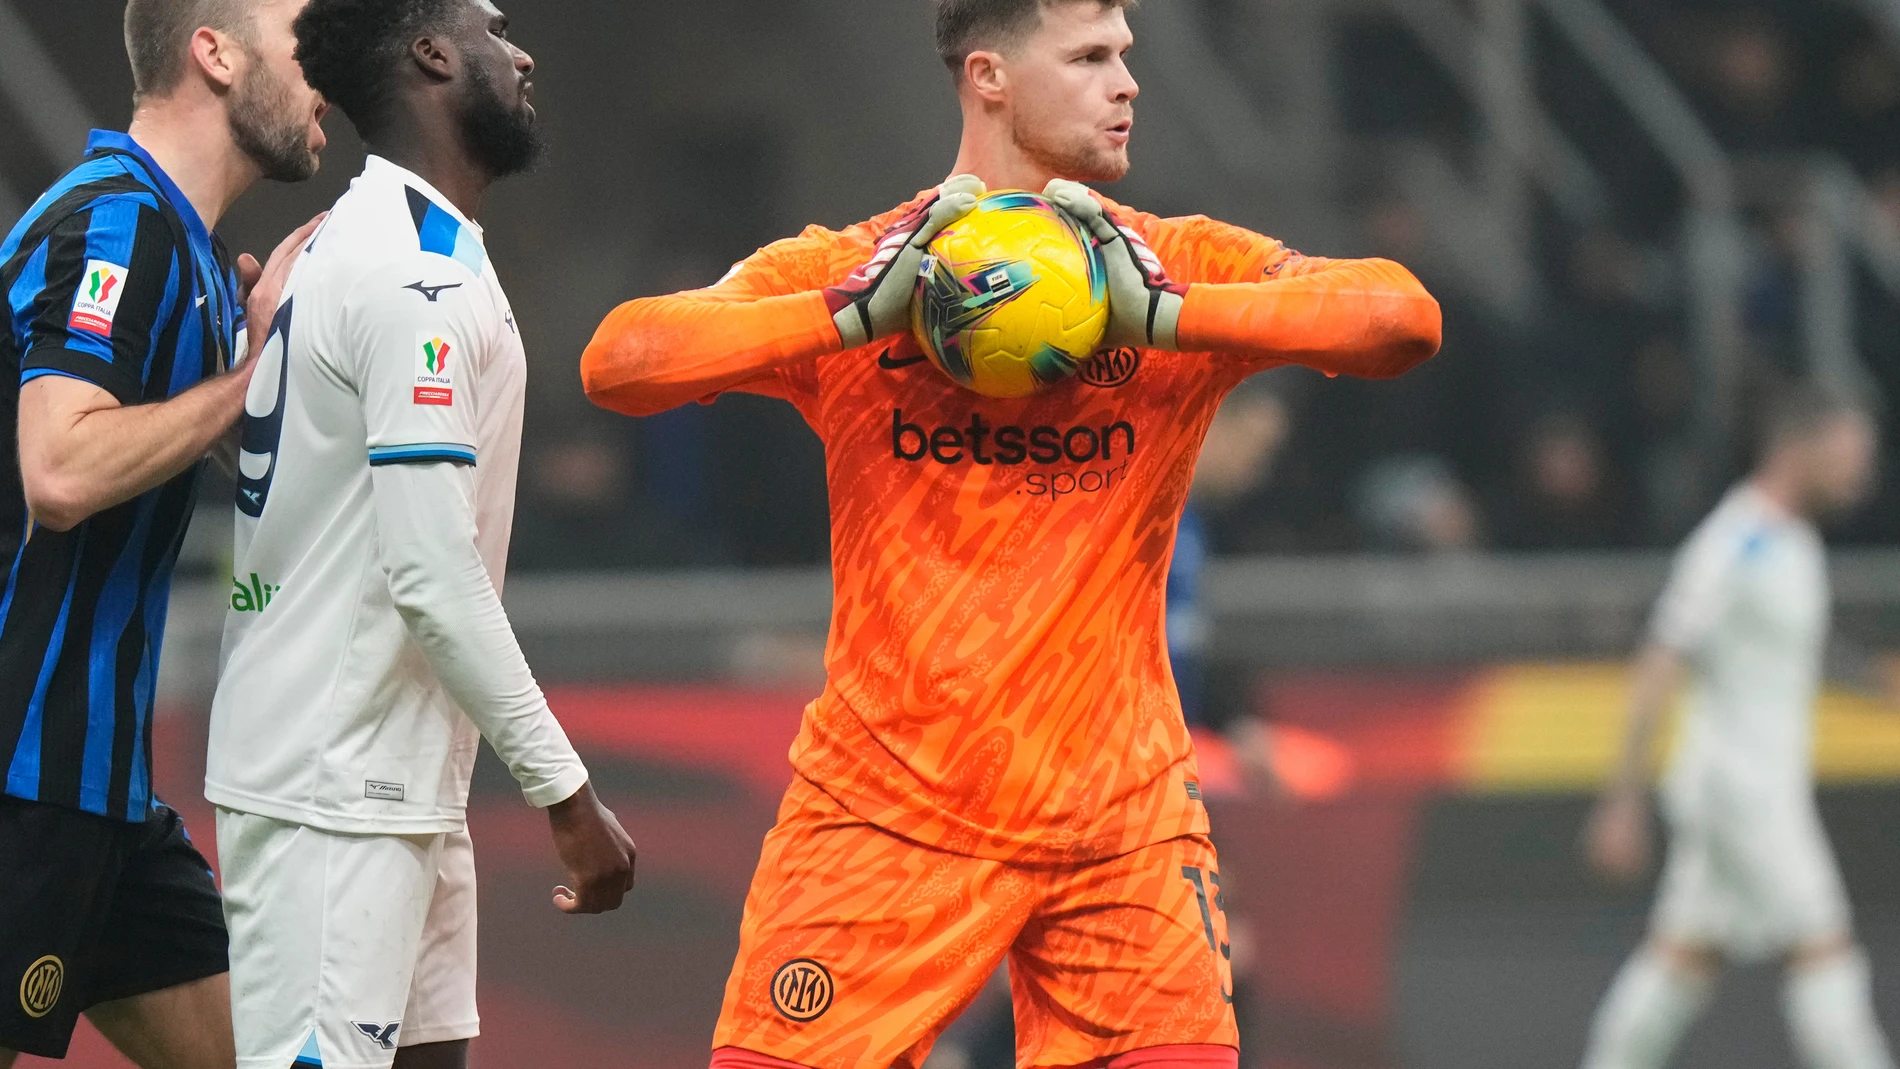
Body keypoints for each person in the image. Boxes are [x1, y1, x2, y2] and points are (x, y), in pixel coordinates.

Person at [581, 1, 1441, 1066]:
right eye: (1089, 57)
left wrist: (1168, 315)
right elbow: (620, 362)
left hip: (1120, 820)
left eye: (1125, 55)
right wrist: (851, 313)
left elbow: (1401, 317)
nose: (1127, 82)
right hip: (885, 809)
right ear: (987, 76)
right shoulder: (863, 266)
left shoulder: (1169, 261)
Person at [203, 2, 636, 1067]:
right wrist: (565, 790)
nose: (522, 53)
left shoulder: (383, 246)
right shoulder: (410, 271)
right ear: (433, 55)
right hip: (333, 784)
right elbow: (432, 573)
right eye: (494, 28)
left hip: (394, 771)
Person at [0, 0, 326, 1063]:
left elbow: (178, 443)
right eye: (302, 41)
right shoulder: (114, 221)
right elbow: (60, 469)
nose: (324, 74)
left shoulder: (196, 256)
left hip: (98, 789)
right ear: (215, 54)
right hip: (17, 771)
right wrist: (246, 381)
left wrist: (268, 375)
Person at [1581, 387, 1893, 1069]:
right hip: (1743, 792)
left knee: (1682, 959)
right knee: (1825, 949)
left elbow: (1794, 650)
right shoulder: (1733, 541)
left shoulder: (1791, 540)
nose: (1860, 474)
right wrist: (1623, 797)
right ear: (1799, 447)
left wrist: (1876, 686)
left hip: (1743, 788)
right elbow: (1662, 656)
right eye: (1848, 456)